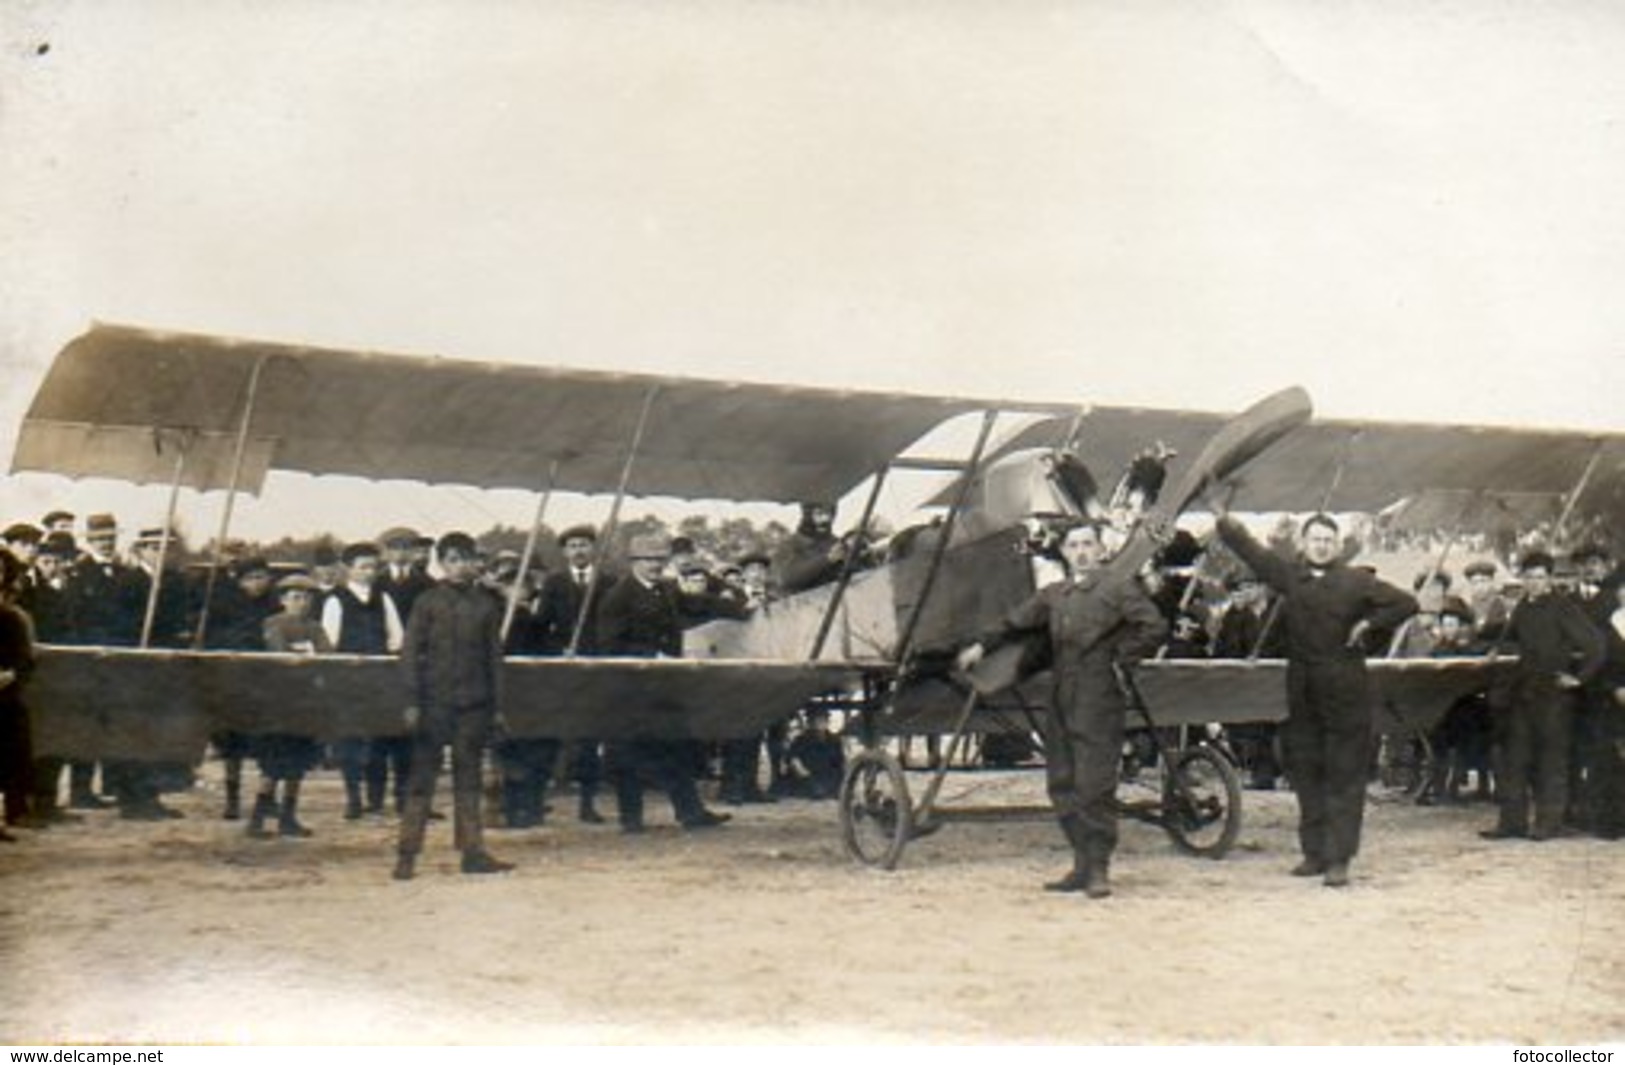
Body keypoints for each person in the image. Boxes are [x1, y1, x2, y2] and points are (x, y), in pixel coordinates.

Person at [956, 520, 1167, 898]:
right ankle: (1081, 865)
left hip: (1099, 695)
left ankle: (1099, 866)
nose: (1082, 552)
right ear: (1065, 553)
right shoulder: (1055, 594)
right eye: (1074, 545)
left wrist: (1121, 659)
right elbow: (1014, 621)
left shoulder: (1118, 588)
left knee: (1094, 784)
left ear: (1101, 550)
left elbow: (1152, 626)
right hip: (1061, 694)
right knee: (1062, 782)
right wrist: (981, 648)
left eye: (1089, 544)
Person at [1211, 504, 1418, 888]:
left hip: (1346, 691)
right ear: (1303, 544)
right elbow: (1255, 554)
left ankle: (1339, 858)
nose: (1322, 546)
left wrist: (1369, 624)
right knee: (1304, 771)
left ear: (1338, 545)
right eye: (1315, 540)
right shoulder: (1291, 577)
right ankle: (1313, 853)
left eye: (1328, 540)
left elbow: (1407, 603)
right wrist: (1226, 522)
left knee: (1343, 775)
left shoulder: (1357, 581)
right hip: (1302, 692)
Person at [393, 532, 512, 880]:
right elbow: (409, 655)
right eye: (453, 560)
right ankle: (407, 854)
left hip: (474, 706)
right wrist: (412, 702)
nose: (461, 567)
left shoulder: (487, 605)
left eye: (467, 559)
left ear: (476, 562)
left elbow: (495, 661)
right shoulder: (427, 602)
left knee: (469, 778)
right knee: (421, 781)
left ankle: (472, 852)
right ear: (441, 563)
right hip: (433, 705)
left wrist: (498, 707)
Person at [596, 534, 730, 833]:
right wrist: (650, 654)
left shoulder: (666, 591)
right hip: (631, 689)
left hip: (665, 684)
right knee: (629, 753)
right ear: (634, 563)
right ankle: (631, 820)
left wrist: (740, 610)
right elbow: (608, 645)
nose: (656, 566)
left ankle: (691, 813)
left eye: (660, 560)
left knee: (676, 746)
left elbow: (697, 603)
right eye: (649, 560)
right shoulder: (617, 596)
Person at [1480, 550, 1605, 842]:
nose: (1534, 583)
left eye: (1540, 577)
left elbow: (1596, 647)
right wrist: (1495, 650)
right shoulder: (1523, 607)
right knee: (1516, 758)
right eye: (1529, 577)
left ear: (1549, 579)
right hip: (1523, 693)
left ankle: (1548, 824)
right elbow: (1509, 638)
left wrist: (1578, 678)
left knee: (1551, 760)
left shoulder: (1563, 607)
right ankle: (1511, 823)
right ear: (1522, 579)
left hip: (1554, 696)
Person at [520, 524, 616, 824]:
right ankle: (535, 805)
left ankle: (587, 805)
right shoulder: (555, 583)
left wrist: (602, 653)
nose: (579, 550)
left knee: (589, 739)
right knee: (550, 737)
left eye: (584, 544)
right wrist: (558, 649)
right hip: (563, 669)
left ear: (593, 549)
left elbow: (613, 626)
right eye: (573, 545)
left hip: (595, 669)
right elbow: (541, 626)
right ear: (564, 552)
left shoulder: (608, 582)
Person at [321, 542, 405, 819]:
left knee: (378, 740)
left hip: (379, 678)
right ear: (348, 569)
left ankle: (376, 799)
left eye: (373, 567)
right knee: (350, 740)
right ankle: (353, 798)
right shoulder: (335, 599)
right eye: (363, 567)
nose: (369, 573)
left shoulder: (384, 599)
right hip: (349, 679)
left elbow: (396, 638)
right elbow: (329, 642)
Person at [251, 574, 332, 838]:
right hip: (279, 703)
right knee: (273, 765)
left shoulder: (315, 627)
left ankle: (288, 817)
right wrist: (304, 660)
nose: (302, 603)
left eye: (307, 598)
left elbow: (327, 655)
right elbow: (280, 655)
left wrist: (309, 662)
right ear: (283, 600)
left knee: (299, 763)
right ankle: (257, 819)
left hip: (306, 702)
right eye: (295, 597)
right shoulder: (273, 624)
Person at [0, 551, 38, 837]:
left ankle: (10, 812)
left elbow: (26, 659)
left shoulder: (13, 617)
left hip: (5, 695)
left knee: (10, 753)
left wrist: (11, 674)